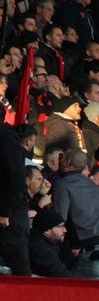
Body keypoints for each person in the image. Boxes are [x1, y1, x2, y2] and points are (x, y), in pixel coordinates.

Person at [51, 149, 99, 280]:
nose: (59, 160)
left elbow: (59, 219)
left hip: (91, 250)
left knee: (87, 292)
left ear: (67, 162)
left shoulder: (63, 185)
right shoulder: (95, 187)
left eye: (62, 157)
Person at [0, 113, 30, 275]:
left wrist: (5, 212)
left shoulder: (5, 137)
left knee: (18, 267)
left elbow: (16, 177)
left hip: (10, 216)